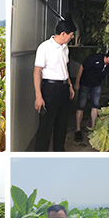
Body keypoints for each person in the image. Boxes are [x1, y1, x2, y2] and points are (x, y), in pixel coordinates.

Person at [33, 20, 77, 152]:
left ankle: (59, 153)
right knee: (46, 125)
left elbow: (65, 68)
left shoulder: (65, 48)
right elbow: (37, 72)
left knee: (62, 124)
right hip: (49, 89)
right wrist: (38, 96)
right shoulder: (44, 47)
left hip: (63, 88)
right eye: (71, 35)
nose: (72, 37)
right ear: (63, 34)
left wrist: (70, 86)